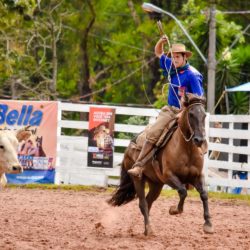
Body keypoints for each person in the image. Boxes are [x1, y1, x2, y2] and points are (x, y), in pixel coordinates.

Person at [128, 35, 204, 178]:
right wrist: (160, 42)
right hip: (170, 110)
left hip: (187, 112)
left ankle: (196, 167)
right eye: (173, 57)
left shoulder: (192, 75)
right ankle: (139, 166)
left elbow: (198, 99)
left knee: (198, 133)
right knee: (154, 132)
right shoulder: (171, 66)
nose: (174, 60)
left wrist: (184, 112)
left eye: (177, 57)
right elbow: (158, 53)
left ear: (184, 57)